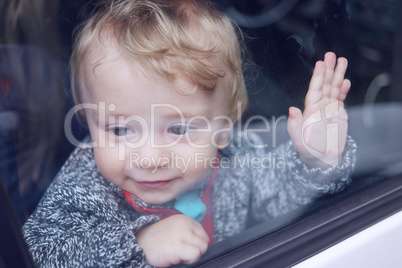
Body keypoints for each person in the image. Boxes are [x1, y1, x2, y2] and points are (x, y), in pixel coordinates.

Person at [22, 0, 356, 267]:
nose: (149, 158)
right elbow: (37, 251)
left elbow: (283, 197)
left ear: (224, 129)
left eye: (179, 128)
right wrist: (136, 246)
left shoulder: (235, 158)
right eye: (120, 129)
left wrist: (314, 159)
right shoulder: (87, 185)